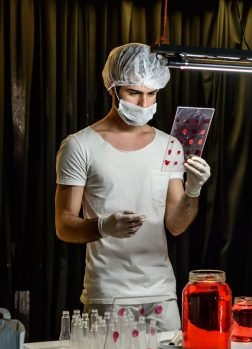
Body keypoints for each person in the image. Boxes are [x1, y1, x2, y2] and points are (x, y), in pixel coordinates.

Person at [55, 43, 211, 331]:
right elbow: (64, 225)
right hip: (107, 294)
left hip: (161, 293)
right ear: (112, 89)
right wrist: (103, 226)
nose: (144, 103)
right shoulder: (79, 145)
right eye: (134, 92)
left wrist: (193, 190)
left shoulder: (170, 145)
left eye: (152, 94)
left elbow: (176, 225)